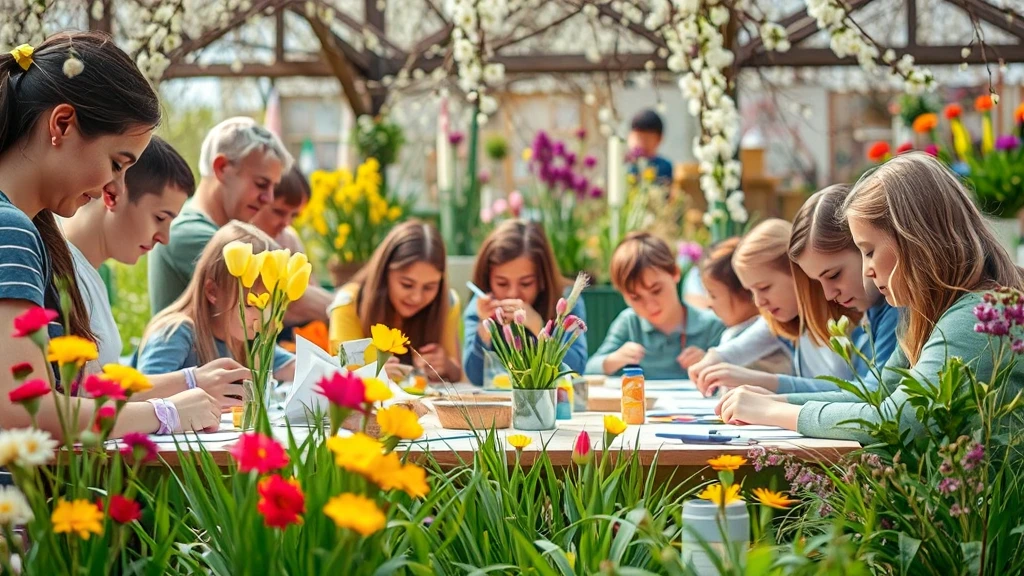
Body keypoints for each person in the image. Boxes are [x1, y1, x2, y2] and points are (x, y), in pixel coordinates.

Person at [0, 32, 222, 439]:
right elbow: (20, 407)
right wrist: (165, 413)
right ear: (62, 124)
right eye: (117, 163)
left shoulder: (29, 232)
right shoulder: (10, 230)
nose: (113, 186)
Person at [717, 153, 1024, 442]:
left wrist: (773, 410)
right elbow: (878, 393)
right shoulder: (930, 313)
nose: (869, 271)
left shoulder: (976, 315)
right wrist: (775, 400)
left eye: (869, 251)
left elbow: (897, 420)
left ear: (914, 238)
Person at [63, 135, 250, 405]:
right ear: (111, 192)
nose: (165, 238)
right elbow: (80, 392)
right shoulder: (58, 271)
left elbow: (98, 383)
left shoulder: (90, 275)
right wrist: (190, 383)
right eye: (160, 218)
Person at [689, 219, 852, 395]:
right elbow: (738, 349)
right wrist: (713, 359)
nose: (758, 302)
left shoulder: (847, 316)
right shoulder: (783, 319)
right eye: (751, 291)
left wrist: (761, 381)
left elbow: (849, 392)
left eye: (764, 288)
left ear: (798, 273)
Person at [147, 117, 292, 314]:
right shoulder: (187, 231)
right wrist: (343, 302)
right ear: (222, 168)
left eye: (274, 187)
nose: (269, 198)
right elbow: (271, 294)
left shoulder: (211, 228)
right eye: (260, 184)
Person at [135, 222, 296, 382]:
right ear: (212, 291)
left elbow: (291, 367)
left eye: (269, 304)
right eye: (249, 304)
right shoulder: (176, 333)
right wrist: (193, 384)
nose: (260, 317)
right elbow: (144, 391)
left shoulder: (246, 338)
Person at [329, 221, 462, 382]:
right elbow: (340, 372)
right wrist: (372, 373)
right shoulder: (349, 302)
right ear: (385, 273)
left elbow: (458, 373)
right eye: (407, 285)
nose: (416, 297)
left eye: (429, 287)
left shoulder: (448, 303)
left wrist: (446, 366)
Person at [463, 220, 588, 386]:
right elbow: (475, 377)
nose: (513, 293)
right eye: (502, 283)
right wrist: (484, 331)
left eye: (526, 283)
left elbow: (576, 371)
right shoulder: (481, 306)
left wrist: (539, 329)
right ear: (488, 279)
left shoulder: (565, 302)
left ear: (543, 278)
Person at [585, 232, 725, 379]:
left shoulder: (712, 326)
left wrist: (709, 363)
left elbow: (730, 378)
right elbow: (589, 369)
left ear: (675, 273)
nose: (650, 305)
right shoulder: (629, 323)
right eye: (635, 297)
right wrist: (612, 360)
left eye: (656, 290)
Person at [697, 238, 791, 375]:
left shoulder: (773, 330)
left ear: (743, 292)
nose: (709, 304)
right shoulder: (732, 332)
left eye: (713, 295)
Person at [251, 166, 332, 324]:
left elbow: (310, 286)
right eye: (279, 212)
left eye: (294, 215)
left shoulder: (289, 238)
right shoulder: (240, 241)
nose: (286, 223)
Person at [627, 109, 673, 185]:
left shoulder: (664, 166)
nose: (642, 143)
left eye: (647, 139)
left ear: (659, 139)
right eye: (638, 137)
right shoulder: (626, 165)